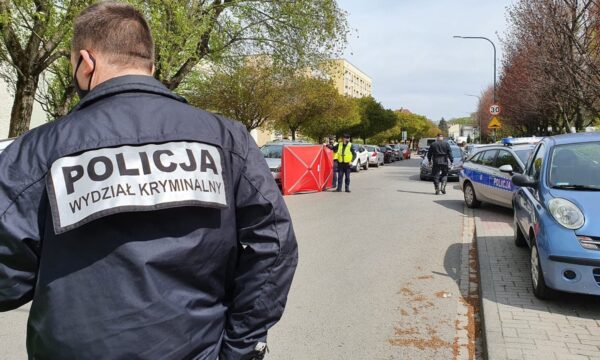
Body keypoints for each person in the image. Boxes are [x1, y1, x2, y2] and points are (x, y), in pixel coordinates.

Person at [0, 3, 298, 360]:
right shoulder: (226, 139)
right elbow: (275, 244)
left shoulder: (37, 150)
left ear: (85, 63)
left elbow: (7, 275)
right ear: (151, 67)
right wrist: (242, 346)